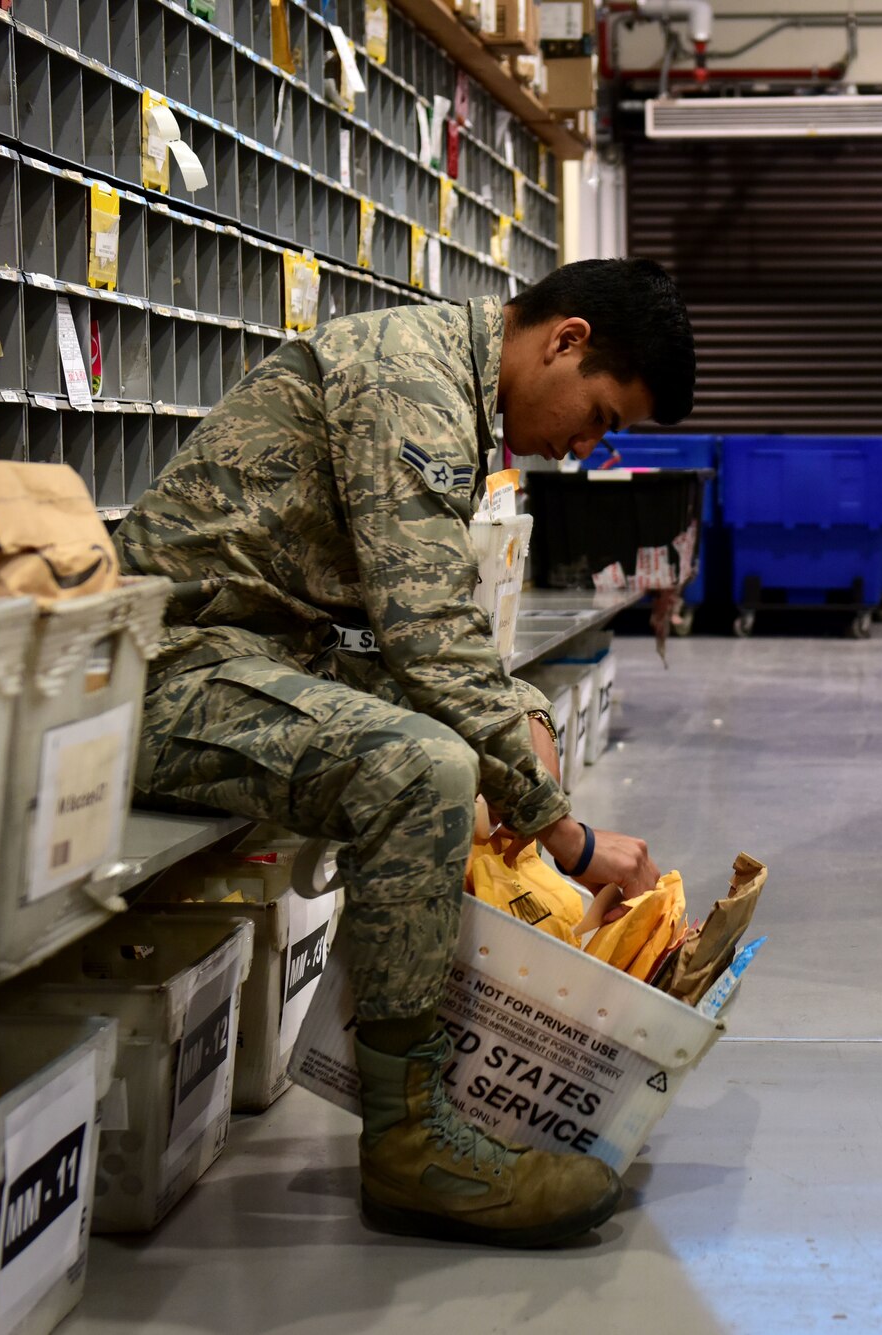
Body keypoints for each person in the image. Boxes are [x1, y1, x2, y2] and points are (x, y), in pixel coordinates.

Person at [115, 258, 696, 1248]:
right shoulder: (410, 379)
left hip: (272, 651)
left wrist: (520, 730)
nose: (589, 449)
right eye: (600, 416)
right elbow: (421, 625)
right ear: (567, 340)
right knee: (421, 770)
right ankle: (409, 1146)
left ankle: (448, 1078)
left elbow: (405, 626)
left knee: (504, 716)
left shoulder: (450, 387)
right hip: (169, 674)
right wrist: (567, 835)